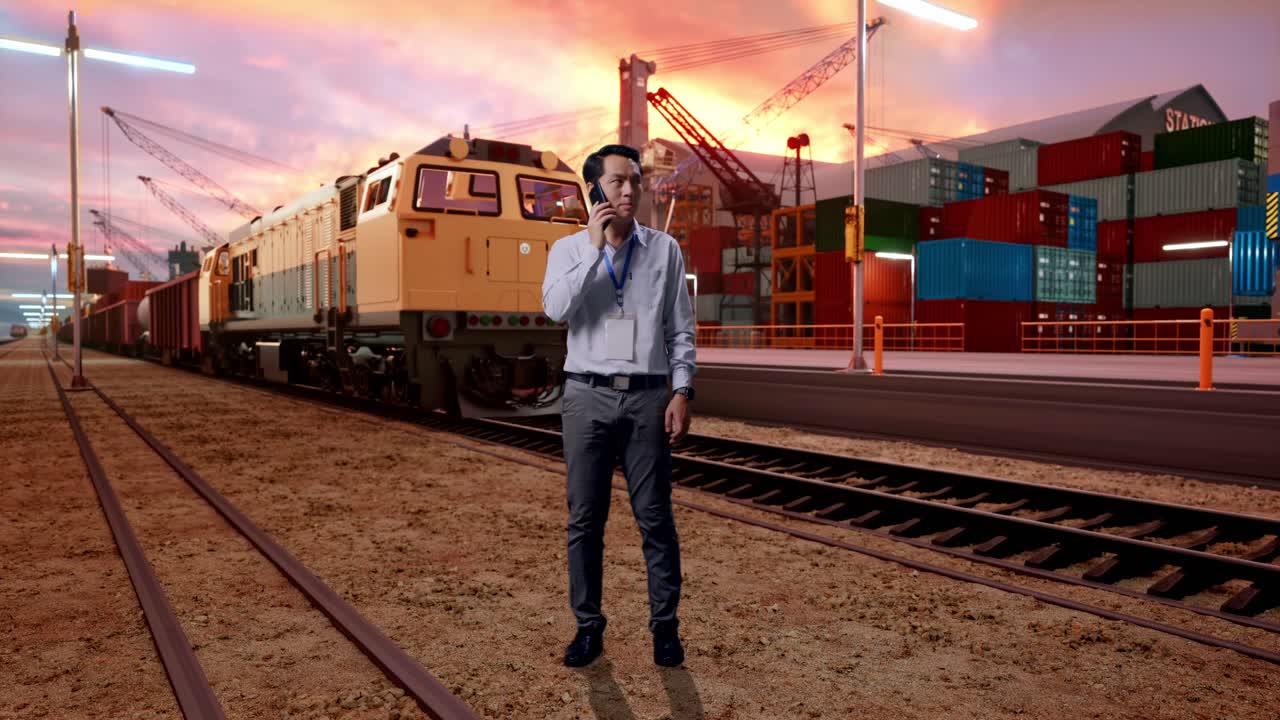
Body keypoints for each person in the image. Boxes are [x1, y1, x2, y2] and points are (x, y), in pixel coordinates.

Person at [541, 143, 697, 669]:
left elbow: (680, 329)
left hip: (649, 395)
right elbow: (556, 310)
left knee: (655, 517)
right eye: (616, 182)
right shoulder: (566, 250)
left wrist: (682, 390)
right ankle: (588, 629)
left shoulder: (664, 249)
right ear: (594, 191)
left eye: (634, 180)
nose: (629, 190)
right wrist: (592, 247)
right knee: (586, 519)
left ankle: (665, 628)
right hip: (586, 394)